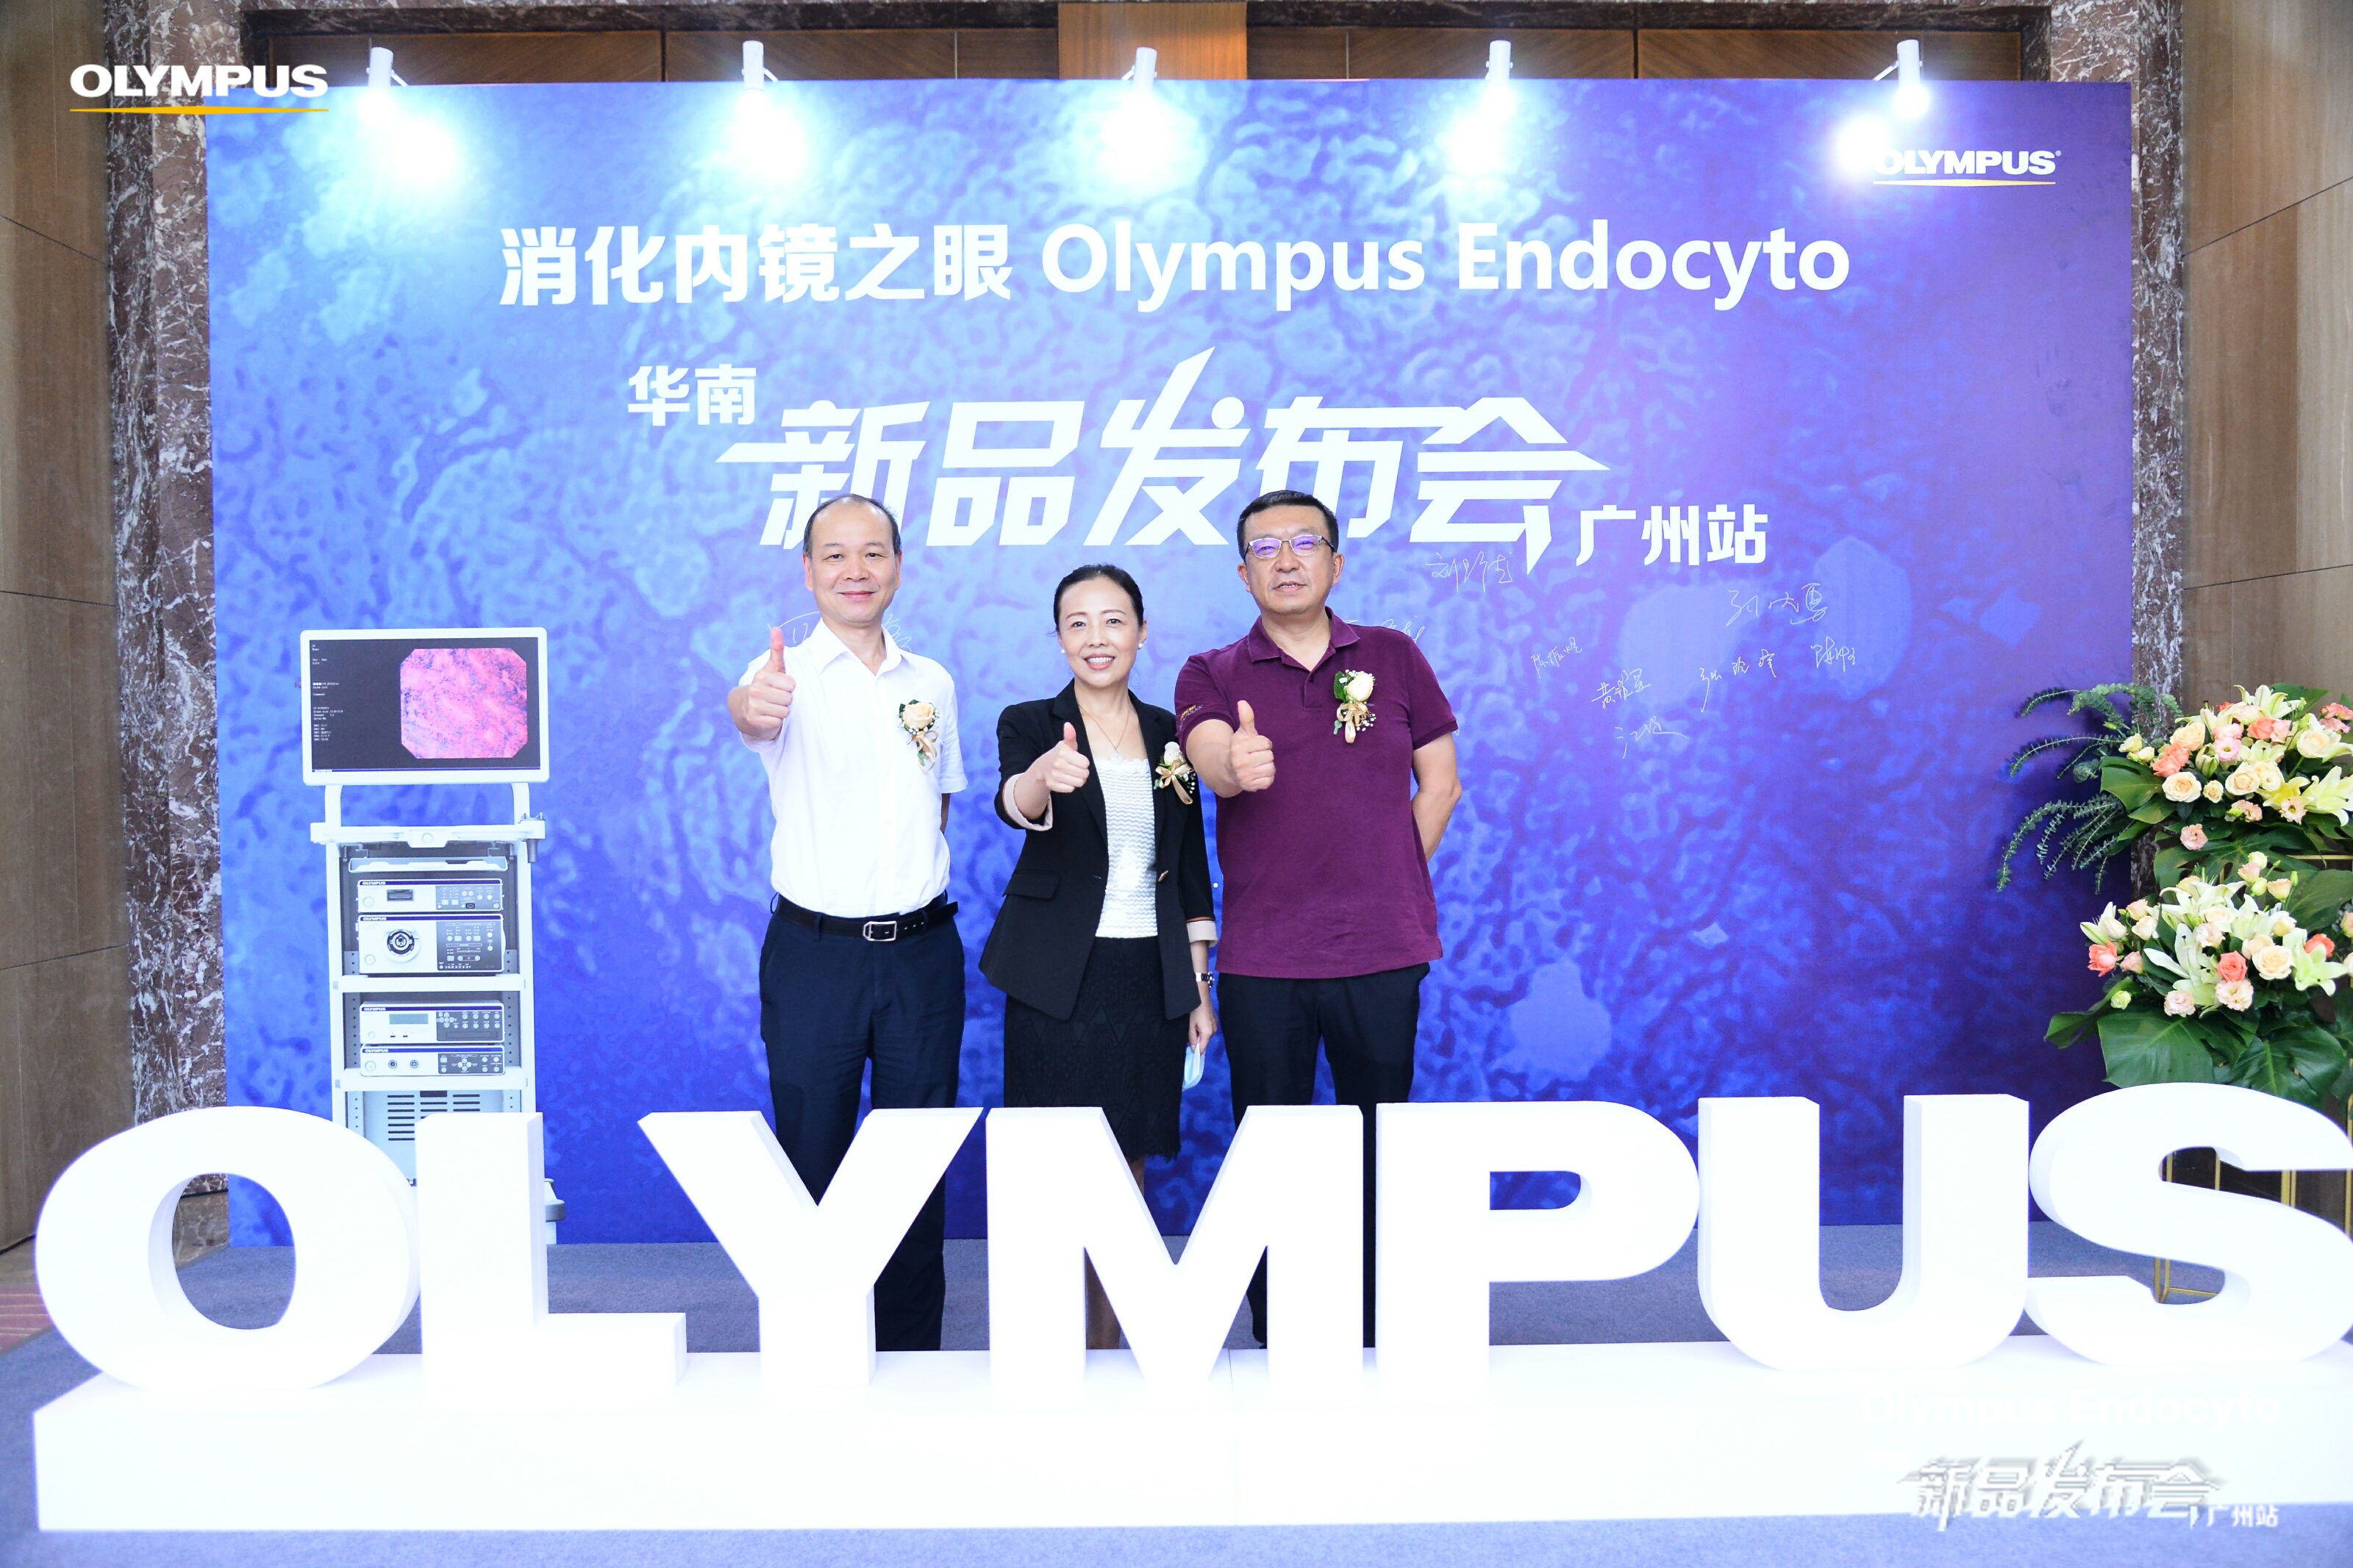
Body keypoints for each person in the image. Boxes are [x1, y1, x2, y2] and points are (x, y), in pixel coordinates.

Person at [1175, 490, 1463, 1347]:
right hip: (1265, 958)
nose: (1286, 559)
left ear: (1336, 562)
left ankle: (1375, 1319)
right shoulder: (1210, 672)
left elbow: (1440, 782)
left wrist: (1385, 874)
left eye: (1304, 543)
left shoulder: (1393, 655)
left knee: (1379, 1143)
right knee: (1271, 1154)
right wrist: (1234, 762)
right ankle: (1283, 1329)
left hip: (1382, 946)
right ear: (1243, 574)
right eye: (1264, 548)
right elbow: (1208, 758)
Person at [726, 493, 966, 1352]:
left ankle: (909, 1354)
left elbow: (937, 801)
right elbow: (748, 711)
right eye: (834, 555)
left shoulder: (930, 683)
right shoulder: (780, 678)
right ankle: (816, 1349)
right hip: (814, 955)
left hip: (921, 955)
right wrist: (752, 703)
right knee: (811, 1156)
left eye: (872, 553)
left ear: (898, 567)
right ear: (807, 571)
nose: (854, 571)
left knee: (913, 1167)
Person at [981, 564, 1219, 1349]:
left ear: (1141, 632)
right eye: (1077, 623)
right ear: (1059, 638)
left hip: (1146, 972)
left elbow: (1188, 863)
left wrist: (1199, 984)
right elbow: (1014, 803)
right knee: (1053, 1164)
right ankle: (1048, 1346)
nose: (1096, 637)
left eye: (1113, 620)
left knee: (1127, 1164)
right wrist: (1040, 779)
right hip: (1054, 975)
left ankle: (1107, 1347)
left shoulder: (1171, 732)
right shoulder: (1030, 721)